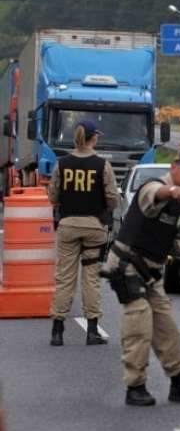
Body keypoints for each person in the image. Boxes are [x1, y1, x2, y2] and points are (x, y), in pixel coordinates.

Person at [100, 149, 180, 406]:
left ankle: (179, 382)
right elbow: (155, 195)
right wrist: (170, 191)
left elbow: (165, 237)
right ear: (174, 167)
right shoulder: (154, 187)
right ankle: (135, 386)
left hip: (151, 272)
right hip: (127, 266)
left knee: (167, 327)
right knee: (138, 324)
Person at [47, 119, 119, 346]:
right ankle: (92, 331)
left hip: (68, 226)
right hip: (93, 227)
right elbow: (112, 198)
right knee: (91, 279)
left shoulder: (62, 164)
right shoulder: (101, 165)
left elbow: (52, 196)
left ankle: (57, 331)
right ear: (92, 138)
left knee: (64, 279)